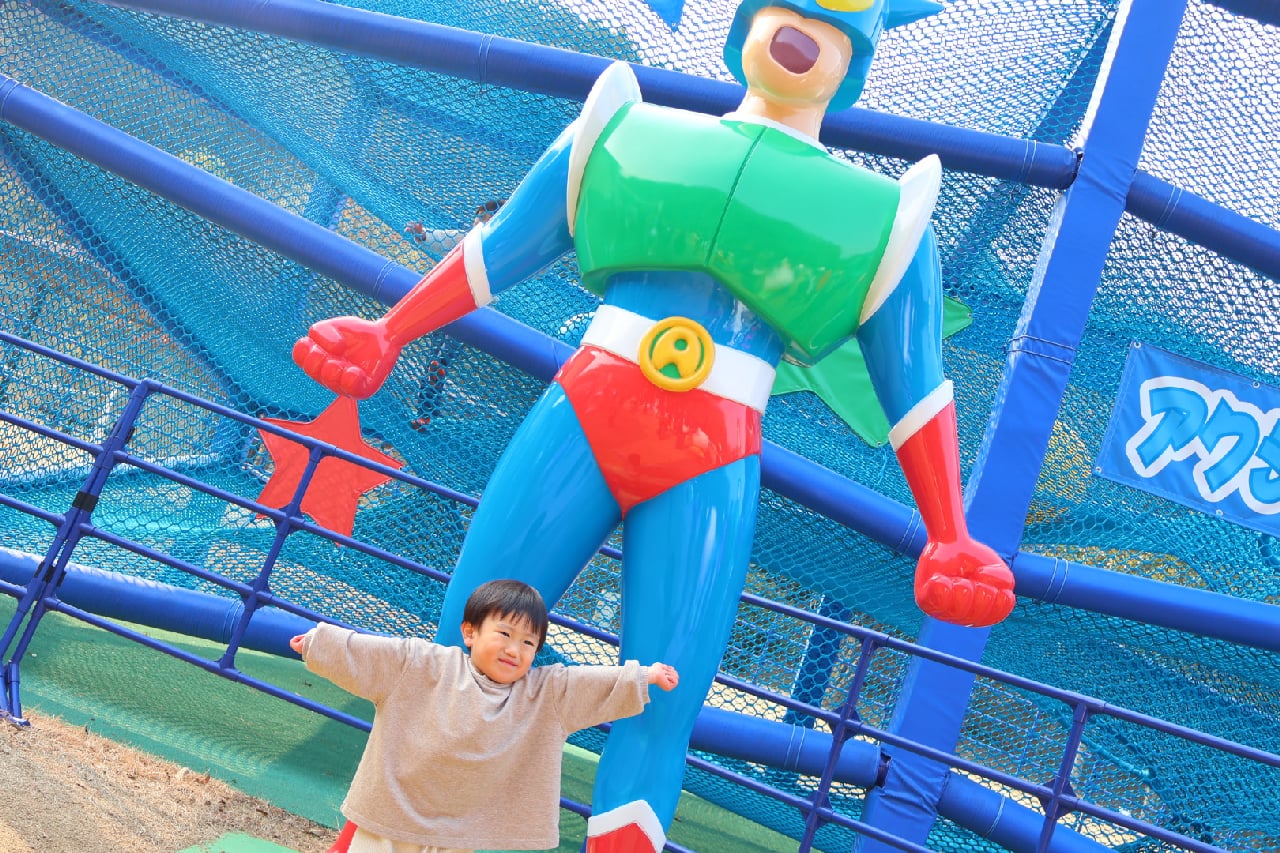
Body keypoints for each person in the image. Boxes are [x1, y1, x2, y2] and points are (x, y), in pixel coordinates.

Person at [293, 2, 1016, 850]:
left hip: (708, 455)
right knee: (466, 648)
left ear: (854, 61)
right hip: (586, 413)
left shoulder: (882, 218)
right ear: (743, 25)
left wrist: (950, 531)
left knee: (660, 697)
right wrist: (391, 330)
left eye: (833, 22)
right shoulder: (624, 129)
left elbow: (917, 387)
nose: (801, 30)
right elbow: (499, 247)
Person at [290, 579, 679, 853]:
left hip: (459, 831)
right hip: (392, 814)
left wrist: (643, 677)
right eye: (505, 634)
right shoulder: (425, 666)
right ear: (470, 633)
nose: (515, 649)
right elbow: (376, 655)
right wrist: (320, 644)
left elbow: (586, 684)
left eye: (528, 642)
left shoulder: (543, 695)